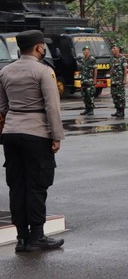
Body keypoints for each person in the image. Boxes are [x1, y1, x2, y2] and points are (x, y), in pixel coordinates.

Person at [0, 30, 65, 251]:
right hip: (36, 134)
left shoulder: (5, 71)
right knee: (37, 185)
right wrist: (56, 136)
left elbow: (2, 106)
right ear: (39, 47)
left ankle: (21, 238)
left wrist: (12, 121)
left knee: (17, 185)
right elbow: (52, 107)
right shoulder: (43, 71)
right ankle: (37, 236)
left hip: (10, 133)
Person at [109, 43, 127, 118]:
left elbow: (125, 70)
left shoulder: (122, 58)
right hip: (113, 81)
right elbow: (111, 69)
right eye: (112, 49)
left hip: (119, 80)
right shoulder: (111, 59)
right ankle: (117, 110)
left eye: (114, 48)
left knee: (120, 96)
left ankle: (122, 111)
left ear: (118, 49)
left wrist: (124, 79)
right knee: (114, 96)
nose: (113, 50)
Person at [79, 45, 97, 116]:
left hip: (89, 80)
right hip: (83, 80)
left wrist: (95, 79)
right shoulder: (83, 59)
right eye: (84, 50)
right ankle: (87, 109)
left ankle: (91, 109)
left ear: (89, 51)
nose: (85, 51)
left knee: (90, 95)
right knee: (84, 95)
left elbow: (95, 69)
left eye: (86, 50)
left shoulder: (92, 59)